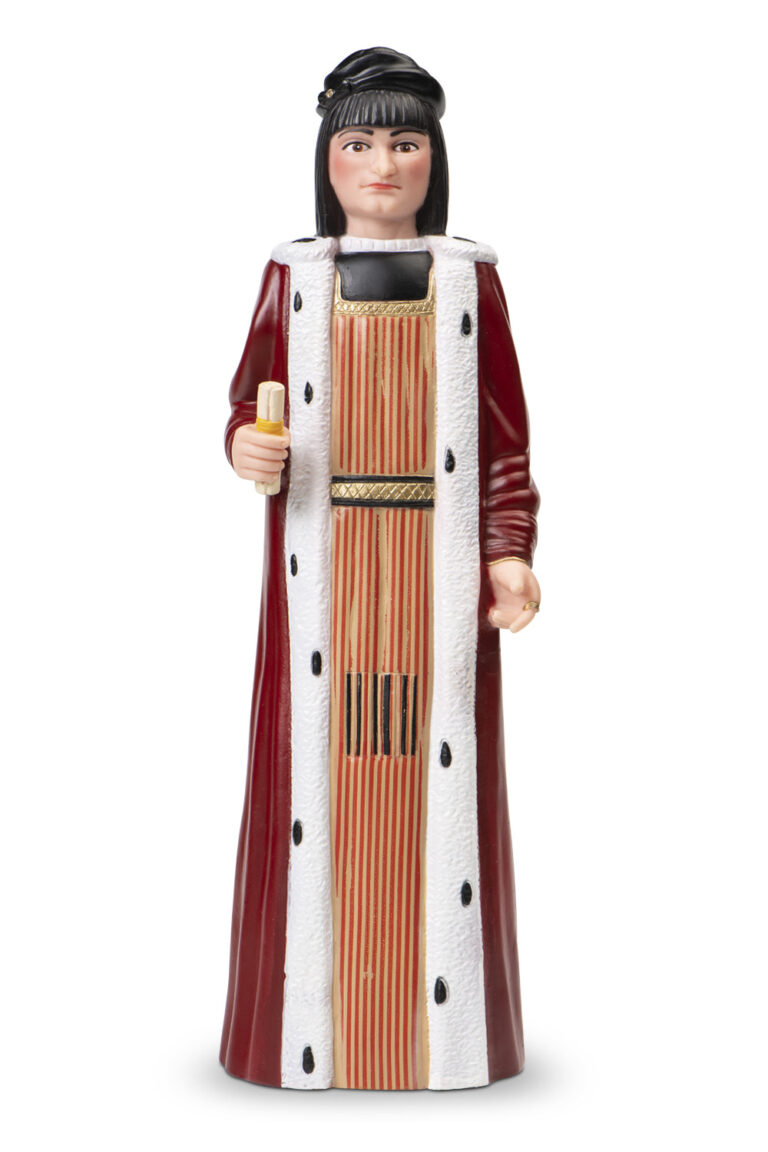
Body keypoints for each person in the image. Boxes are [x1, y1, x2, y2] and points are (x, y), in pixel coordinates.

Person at [220, 47, 540, 1091]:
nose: (384, 165)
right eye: (360, 143)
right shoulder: (293, 278)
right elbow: (248, 398)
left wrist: (507, 549)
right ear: (328, 159)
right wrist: (247, 444)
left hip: (430, 570)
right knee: (327, 759)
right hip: (328, 567)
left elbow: (502, 440)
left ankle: (435, 1033)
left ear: (433, 158)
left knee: (427, 762)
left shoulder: (470, 281)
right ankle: (313, 1022)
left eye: (405, 143)